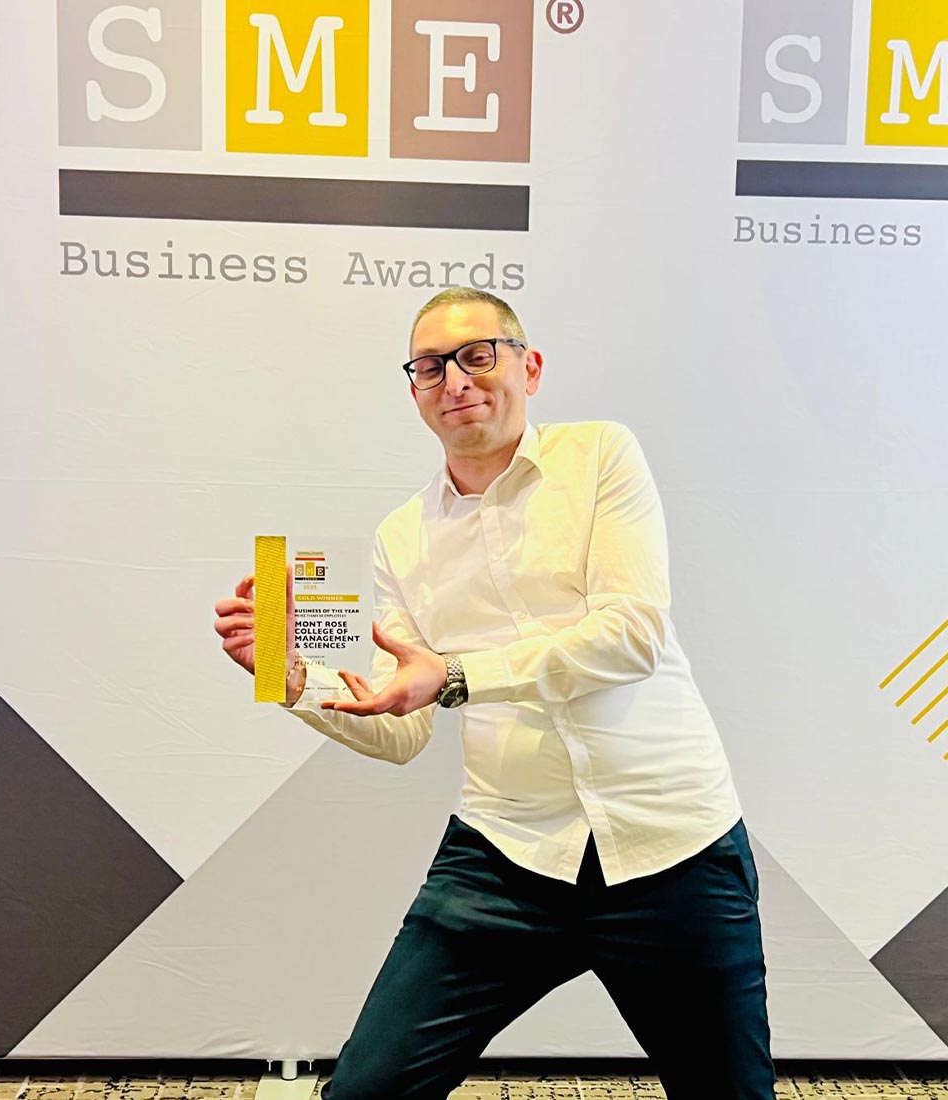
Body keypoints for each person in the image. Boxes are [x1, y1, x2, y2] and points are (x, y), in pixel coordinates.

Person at [213, 288, 776, 1099]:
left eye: (479, 354)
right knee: (365, 1094)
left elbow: (633, 633)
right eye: (431, 366)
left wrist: (460, 676)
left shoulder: (599, 457)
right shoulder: (401, 537)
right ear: (414, 392)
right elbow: (403, 726)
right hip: (505, 857)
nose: (456, 380)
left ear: (529, 366)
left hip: (672, 845)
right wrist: (300, 684)